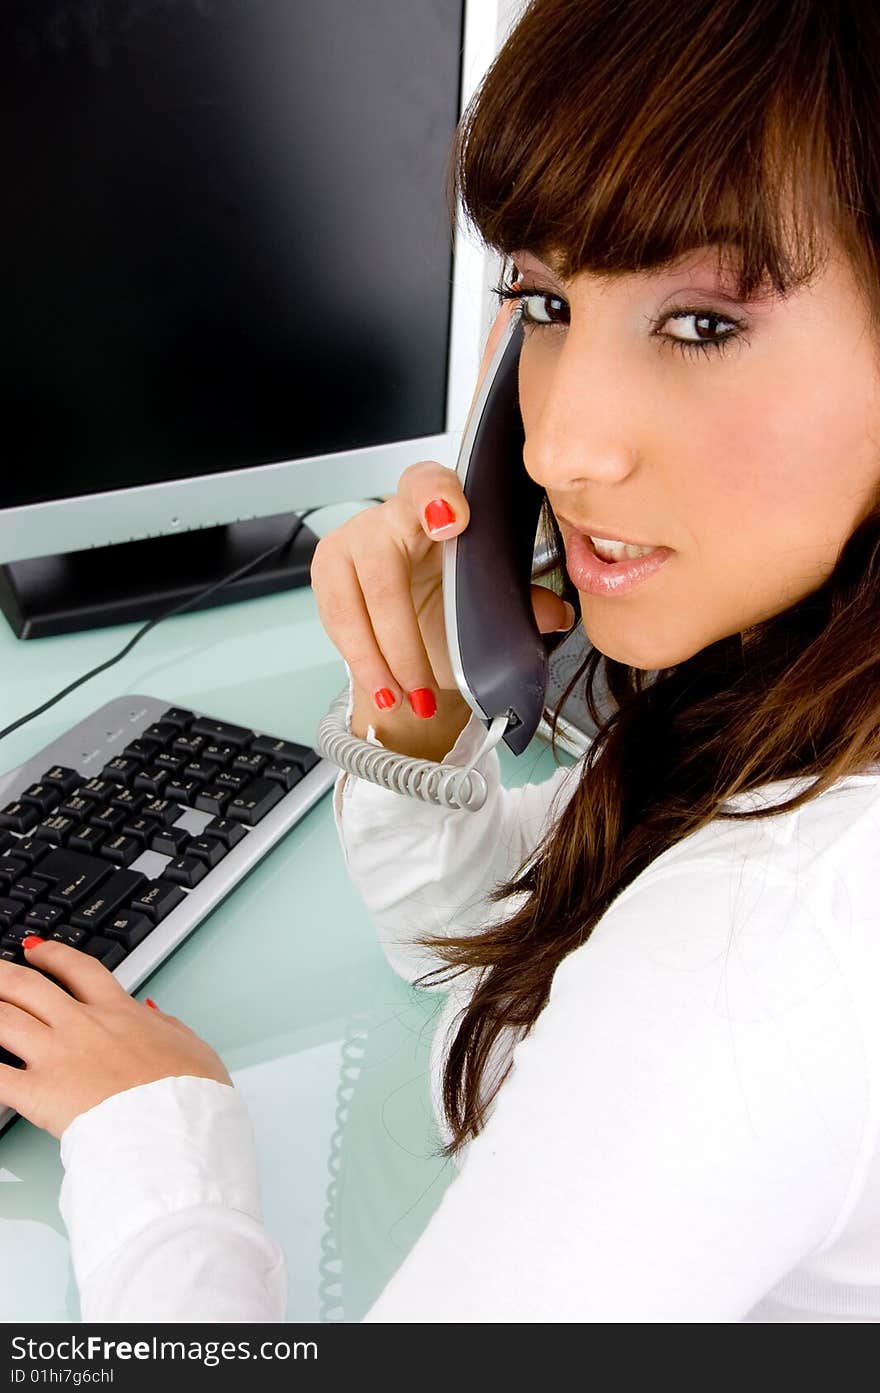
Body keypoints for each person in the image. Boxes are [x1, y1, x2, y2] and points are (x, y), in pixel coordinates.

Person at [2, 0, 880, 1322]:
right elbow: (476, 952)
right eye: (543, 298)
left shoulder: (760, 951)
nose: (555, 446)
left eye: (704, 322)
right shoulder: (762, 703)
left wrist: (155, 1140)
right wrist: (419, 708)